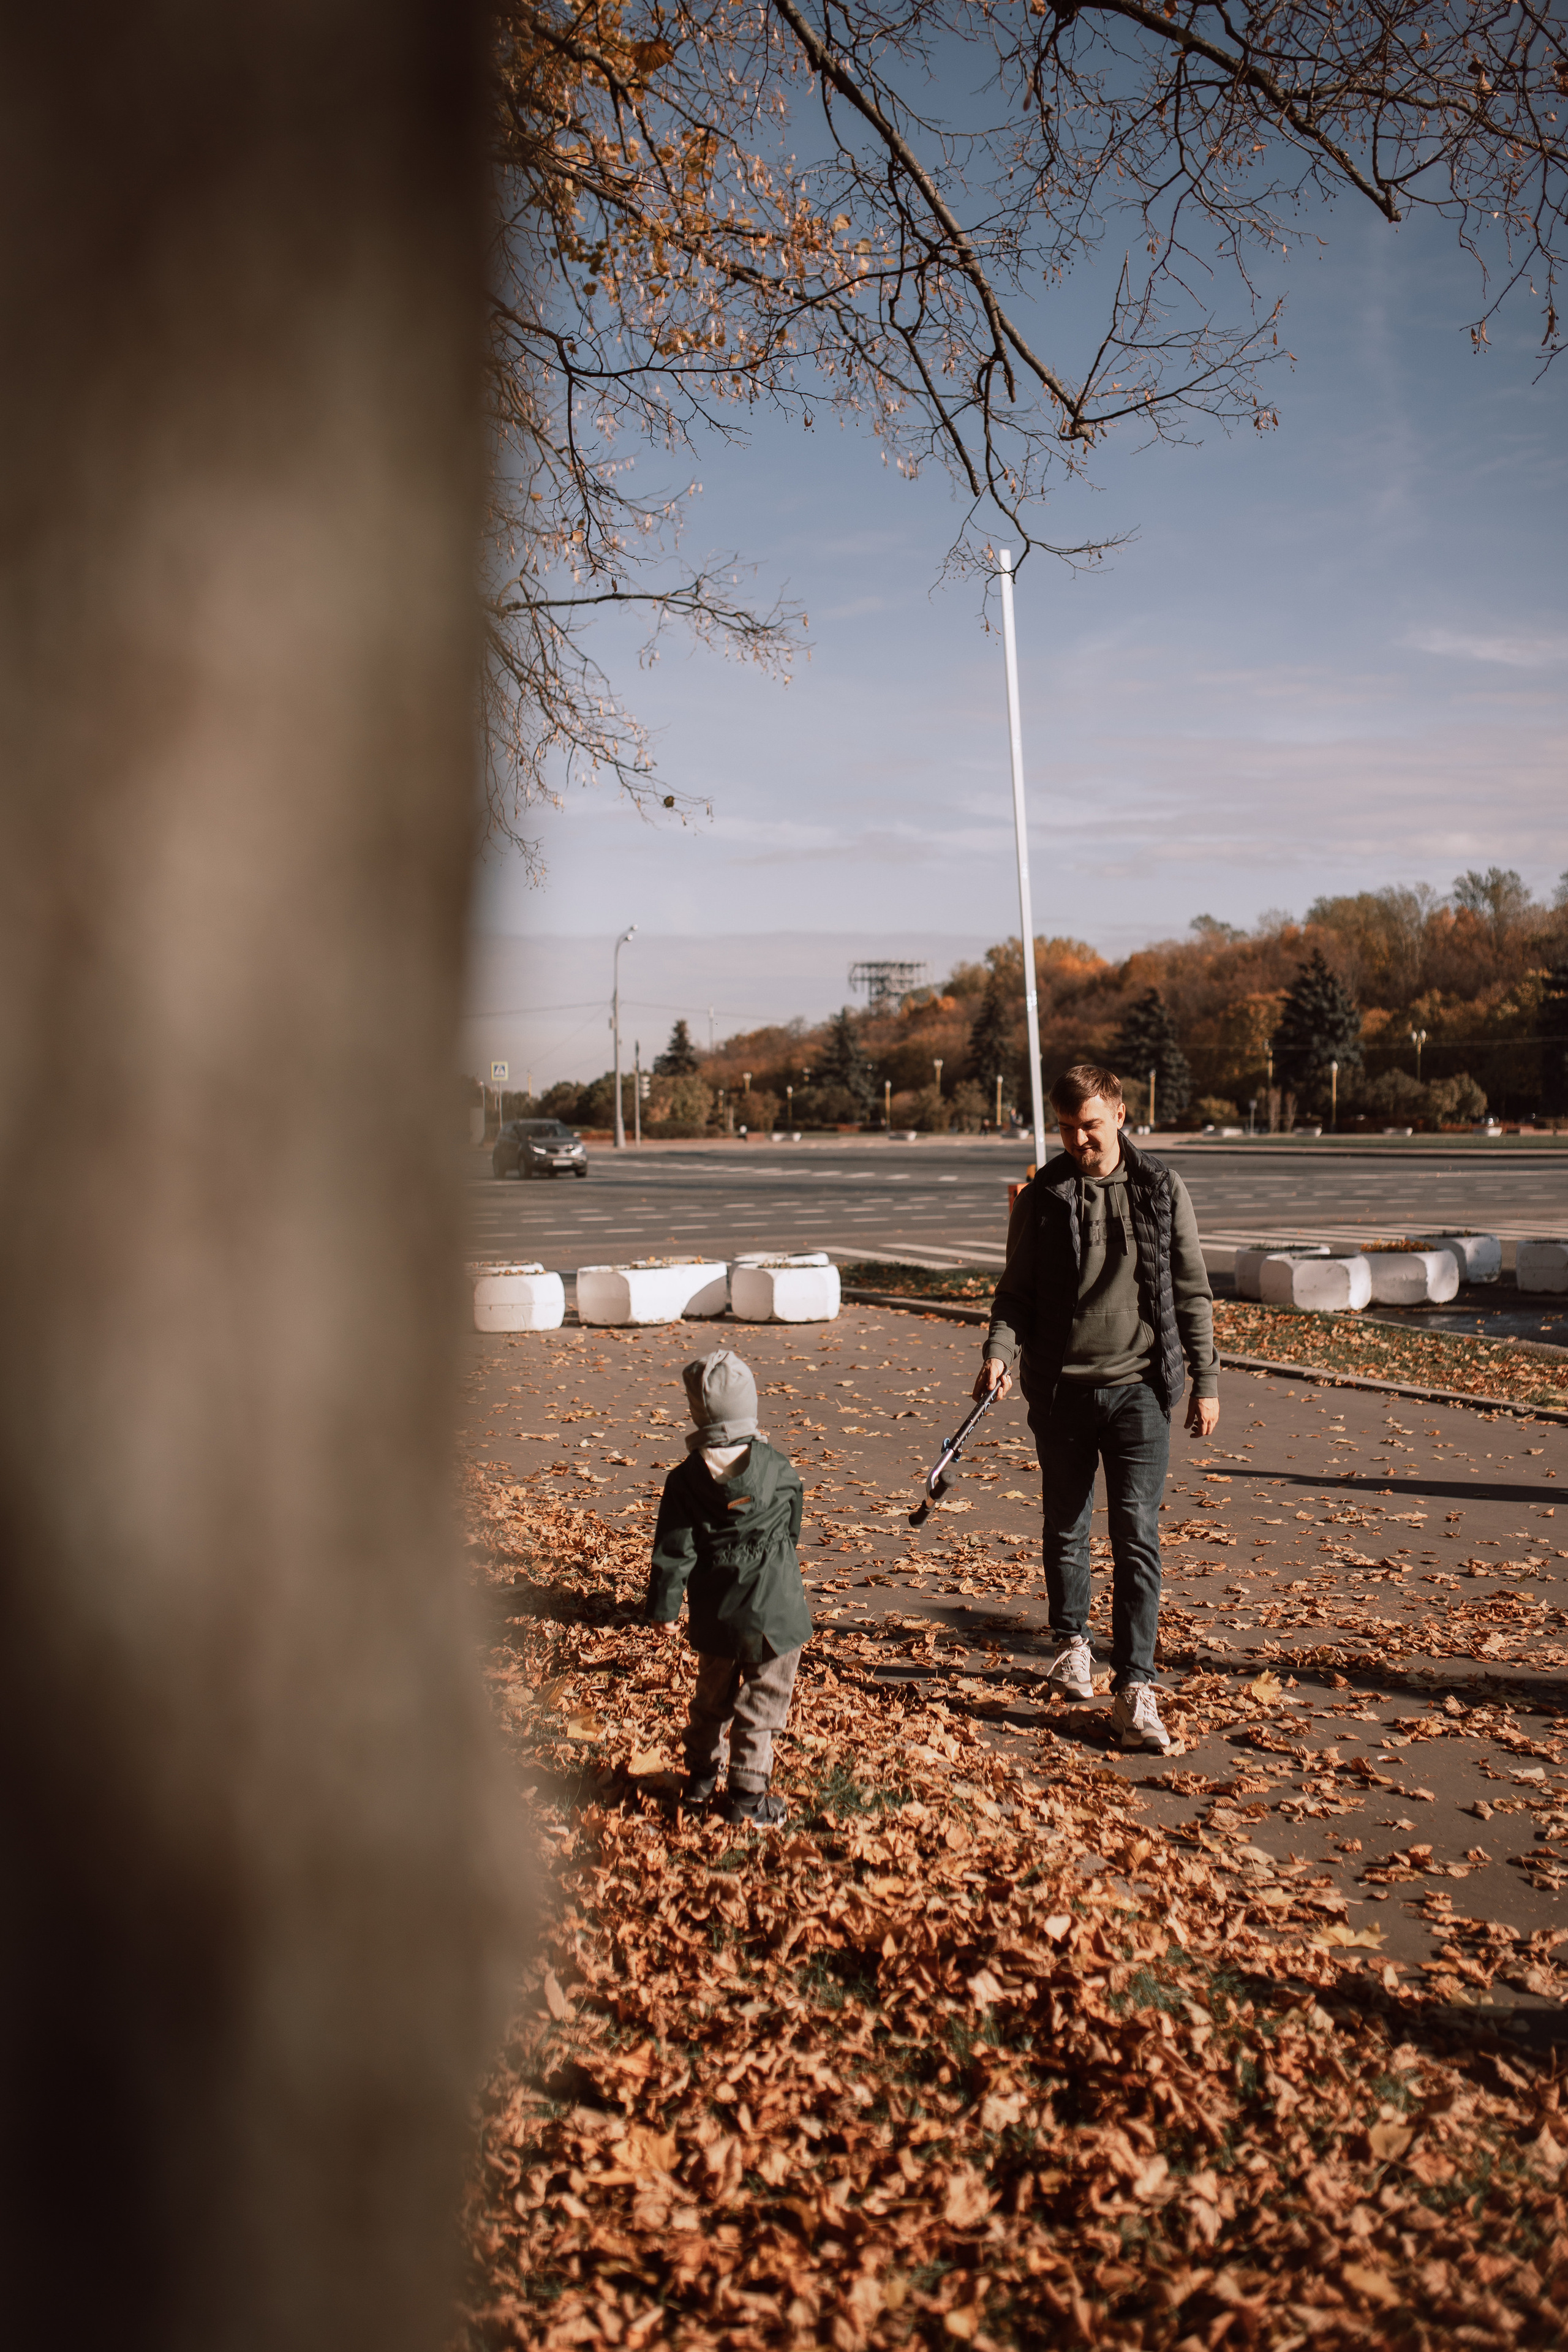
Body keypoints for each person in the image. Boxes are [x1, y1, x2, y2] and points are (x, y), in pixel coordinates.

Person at [974, 1063, 1219, 1753]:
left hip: (1140, 1389)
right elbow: (1013, 1294)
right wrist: (997, 1353)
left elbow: (1191, 1292)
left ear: (1117, 1113)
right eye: (1066, 1127)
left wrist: (1206, 1381)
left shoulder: (1161, 1189)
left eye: (1090, 1124)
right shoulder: (1044, 1196)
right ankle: (1072, 1641)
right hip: (1060, 1391)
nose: (1079, 1139)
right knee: (1067, 1525)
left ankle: (1135, 1685)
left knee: (1137, 1535)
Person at [645, 1347, 810, 1823]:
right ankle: (747, 1797)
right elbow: (793, 1523)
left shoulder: (684, 1482)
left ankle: (699, 1778)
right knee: (765, 1700)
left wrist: (663, 1611)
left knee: (711, 1696)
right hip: (776, 1611)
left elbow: (674, 1551)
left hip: (716, 1611)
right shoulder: (777, 1468)